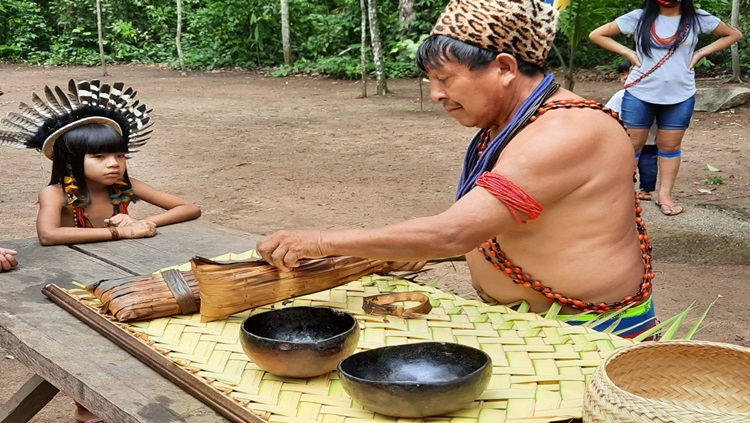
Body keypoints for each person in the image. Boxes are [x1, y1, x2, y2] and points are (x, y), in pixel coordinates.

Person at [257, 0, 657, 338]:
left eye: (445, 79)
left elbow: (454, 233)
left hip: (590, 330)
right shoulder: (510, 125)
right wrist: (410, 250)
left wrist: (320, 242)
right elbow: (501, 227)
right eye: (431, 80)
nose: (435, 94)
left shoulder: (568, 130)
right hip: (527, 323)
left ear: (504, 68)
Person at [0, 79, 201, 247]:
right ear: (70, 160)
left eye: (120, 155)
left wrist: (139, 223)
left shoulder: (125, 186)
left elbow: (190, 208)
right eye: (99, 157)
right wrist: (119, 232)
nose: (114, 163)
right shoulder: (55, 194)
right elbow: (48, 235)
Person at [589, 0, 742, 216]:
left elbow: (733, 34)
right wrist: (630, 54)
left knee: (670, 146)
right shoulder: (638, 17)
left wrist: (699, 53)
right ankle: (623, 194)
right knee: (632, 145)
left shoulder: (697, 18)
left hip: (681, 94)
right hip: (640, 92)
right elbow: (597, 34)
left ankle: (665, 195)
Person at [605, 59, 659, 201]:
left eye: (628, 74)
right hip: (626, 142)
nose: (625, 78)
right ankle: (624, 188)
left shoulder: (657, 98)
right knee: (625, 165)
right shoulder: (620, 96)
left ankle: (646, 190)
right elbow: (608, 114)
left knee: (649, 168)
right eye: (622, 74)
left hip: (650, 142)